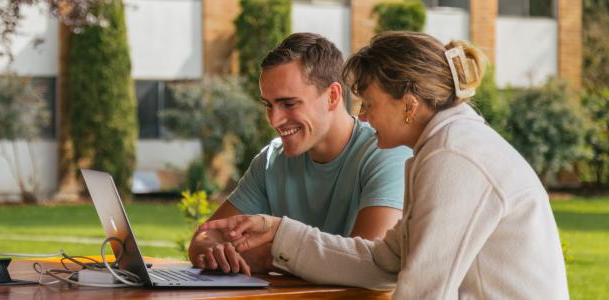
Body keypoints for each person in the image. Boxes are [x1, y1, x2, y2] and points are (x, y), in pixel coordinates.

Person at [200, 31, 570, 299]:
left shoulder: (454, 155)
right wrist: (280, 232)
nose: (363, 116)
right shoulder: (442, 147)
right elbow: (381, 260)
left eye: (370, 103)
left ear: (408, 103)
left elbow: (425, 290)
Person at [187, 32, 412, 275]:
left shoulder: (385, 153)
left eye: (289, 104)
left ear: (332, 96)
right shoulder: (270, 161)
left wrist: (267, 256)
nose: (274, 120)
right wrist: (216, 251)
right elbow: (204, 238)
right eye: (268, 105)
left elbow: (369, 263)